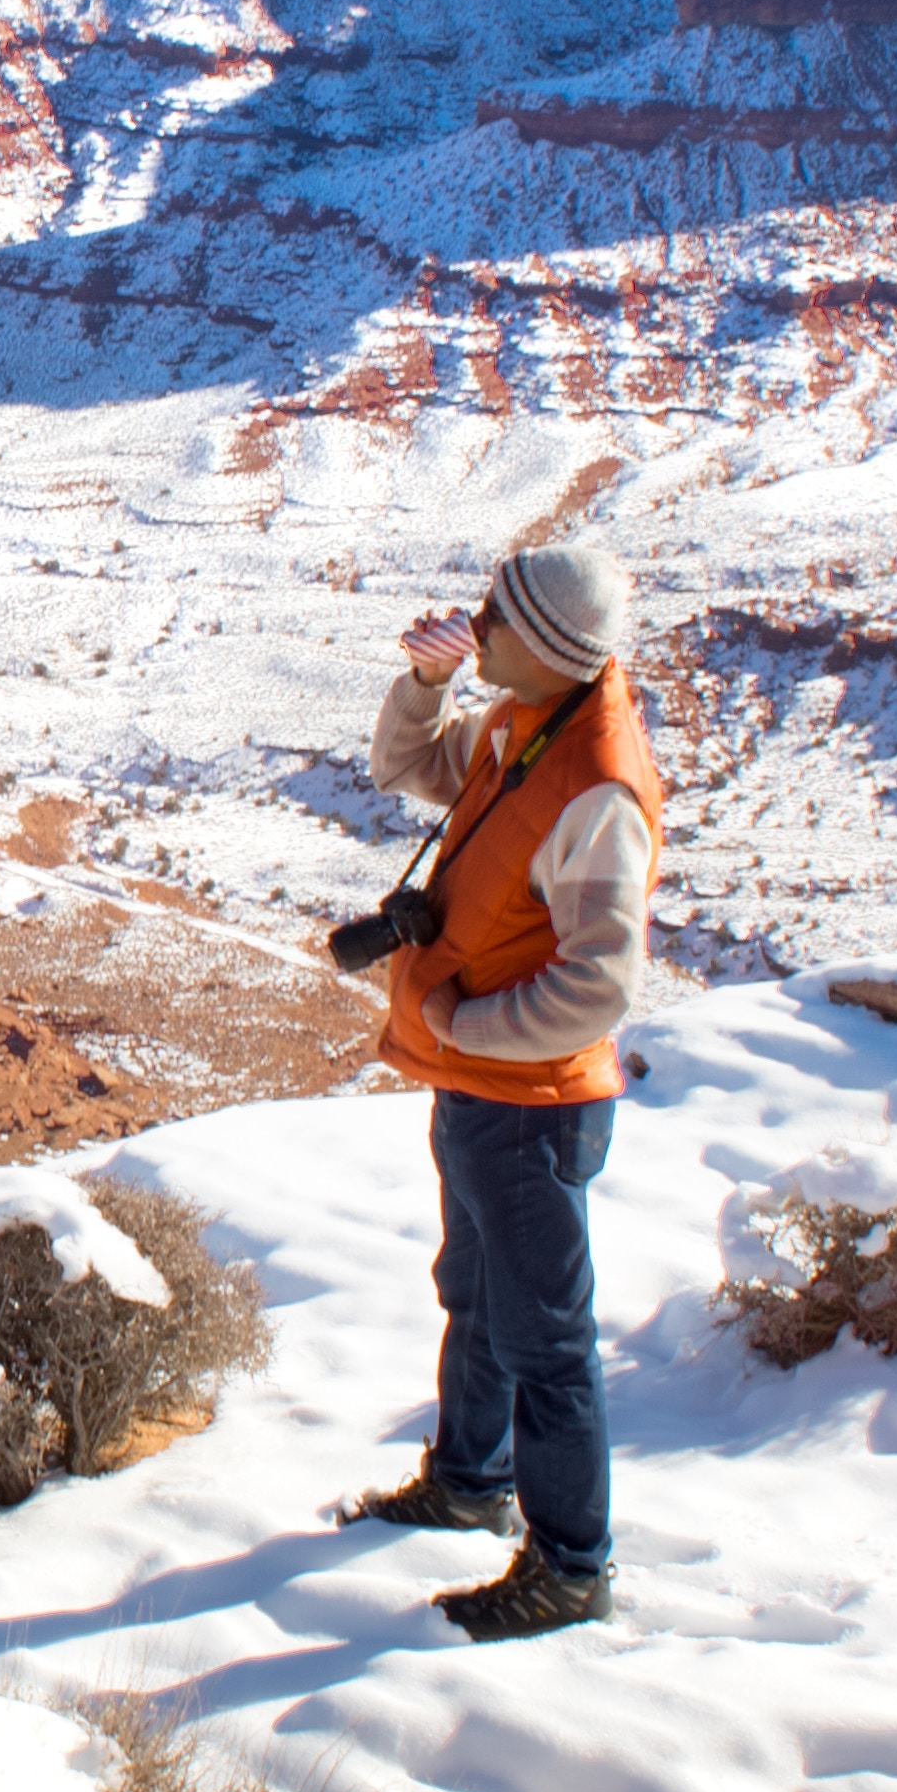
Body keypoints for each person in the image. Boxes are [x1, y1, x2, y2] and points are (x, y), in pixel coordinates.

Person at [338, 531, 666, 1638]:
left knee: (547, 1344)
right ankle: (469, 1481)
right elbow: (411, 769)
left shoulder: (596, 787)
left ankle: (572, 1566)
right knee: (475, 1297)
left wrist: (468, 1022)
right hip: (478, 1089)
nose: (474, 623)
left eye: (493, 616)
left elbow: (599, 986)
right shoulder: (530, 725)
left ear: (548, 643)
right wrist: (426, 686)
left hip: (531, 1103)